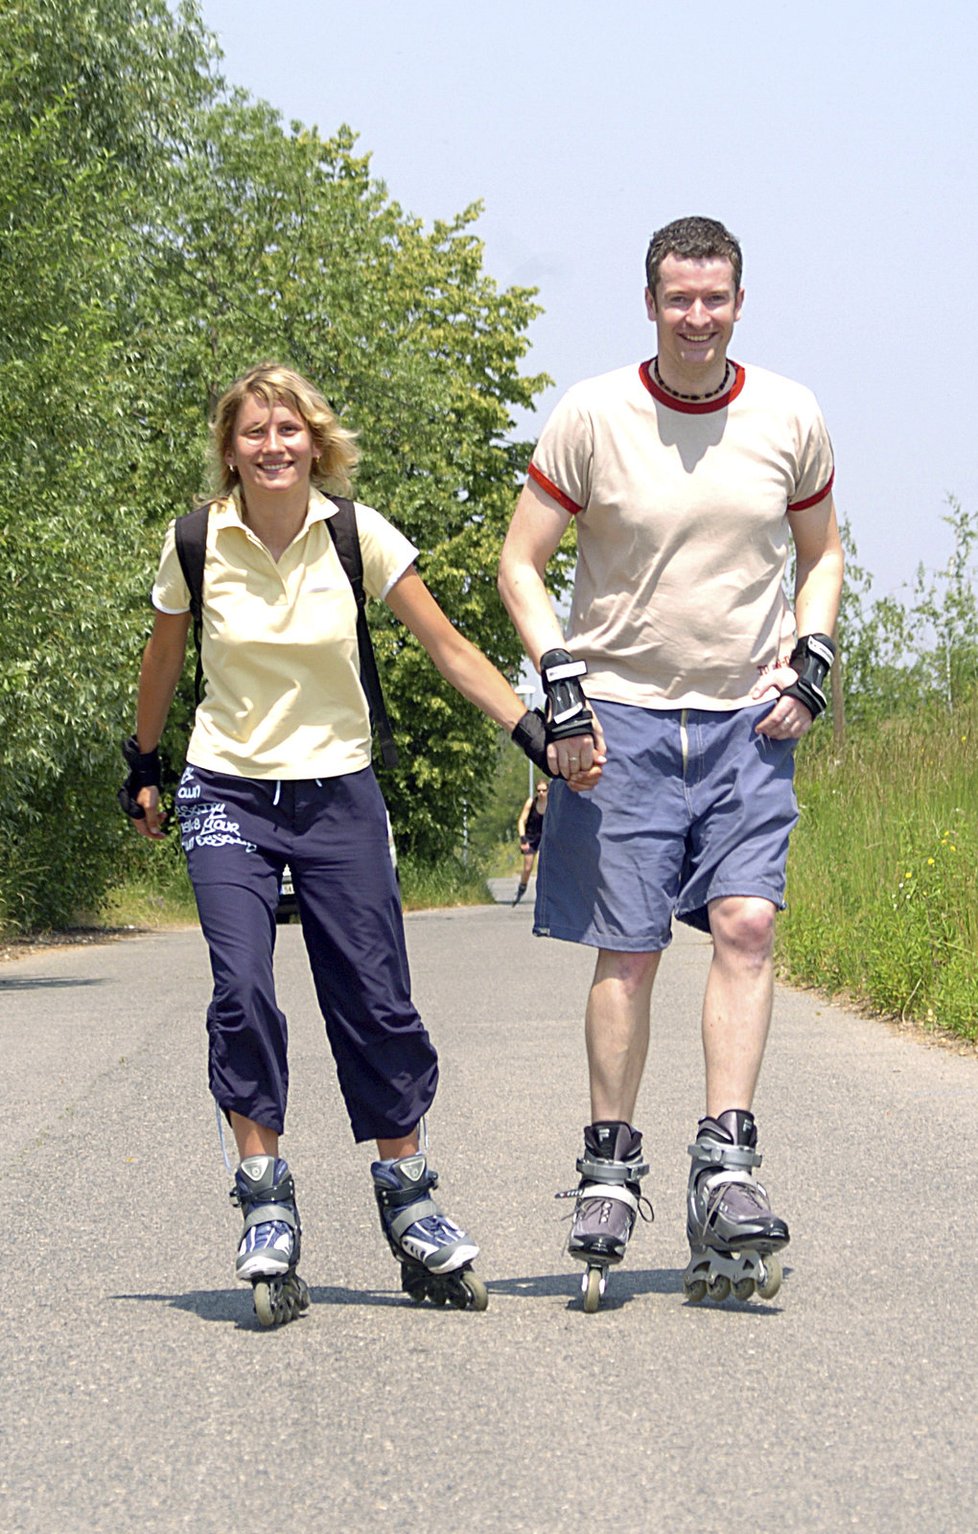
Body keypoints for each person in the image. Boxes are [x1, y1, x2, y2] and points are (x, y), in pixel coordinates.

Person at [121, 360, 598, 1325]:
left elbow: (447, 644)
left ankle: (410, 1196)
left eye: (288, 431)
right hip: (227, 788)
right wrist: (141, 761)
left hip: (338, 791)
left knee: (374, 998)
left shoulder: (356, 534)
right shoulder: (195, 543)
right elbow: (165, 655)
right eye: (253, 432)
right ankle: (264, 1201)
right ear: (230, 449)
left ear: (315, 442)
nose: (272, 447)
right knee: (241, 986)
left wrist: (531, 731)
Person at [498, 216, 844, 1310]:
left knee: (747, 925)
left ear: (740, 302)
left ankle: (728, 1161)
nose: (698, 317)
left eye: (716, 298)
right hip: (624, 722)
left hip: (749, 718)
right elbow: (520, 560)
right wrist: (557, 678)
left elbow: (823, 550)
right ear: (649, 303)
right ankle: (609, 1166)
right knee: (631, 948)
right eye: (679, 298)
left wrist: (814, 656)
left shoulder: (790, 414)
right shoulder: (593, 414)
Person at [512, 780, 549, 904]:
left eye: (544, 790)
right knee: (528, 868)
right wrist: (523, 839)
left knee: (545, 866)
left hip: (545, 838)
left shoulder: (551, 804)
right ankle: (522, 887)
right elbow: (521, 821)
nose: (541, 793)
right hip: (531, 837)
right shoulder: (531, 802)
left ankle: (546, 894)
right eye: (539, 790)